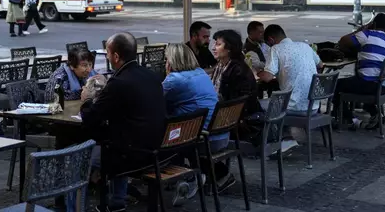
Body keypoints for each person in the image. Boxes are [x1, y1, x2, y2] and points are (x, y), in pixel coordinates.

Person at [80, 32, 166, 212]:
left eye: (108, 53)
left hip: (131, 154)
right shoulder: (152, 76)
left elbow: (90, 117)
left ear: (116, 56)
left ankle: (74, 203)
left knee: (80, 151)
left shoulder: (119, 82)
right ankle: (117, 201)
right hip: (158, 148)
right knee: (117, 137)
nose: (108, 57)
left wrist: (87, 99)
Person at [163, 43, 229, 205]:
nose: (165, 63)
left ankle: (186, 176)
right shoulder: (200, 73)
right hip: (220, 135)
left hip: (201, 140)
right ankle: (189, 175)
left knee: (163, 137)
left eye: (166, 59)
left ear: (171, 61)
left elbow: (152, 101)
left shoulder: (174, 80)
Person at [210, 29, 262, 188]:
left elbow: (237, 104)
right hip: (233, 117)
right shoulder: (223, 65)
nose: (213, 47)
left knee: (193, 136)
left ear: (229, 48)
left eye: (218, 44)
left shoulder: (237, 69)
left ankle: (220, 174)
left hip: (242, 124)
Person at [259, 24, 324, 150]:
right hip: (314, 106)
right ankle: (288, 137)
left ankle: (279, 142)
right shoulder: (305, 46)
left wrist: (259, 73)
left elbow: (267, 77)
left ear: (271, 40)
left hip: (294, 107)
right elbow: (320, 64)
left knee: (260, 106)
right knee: (281, 99)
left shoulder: (276, 49)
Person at [334, 13, 385, 129]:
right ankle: (375, 113)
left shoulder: (366, 35)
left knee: (335, 85)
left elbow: (343, 41)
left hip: (369, 86)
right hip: (384, 87)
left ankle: (349, 119)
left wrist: (361, 29)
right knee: (359, 79)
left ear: (373, 23)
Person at [244, 21, 279, 98]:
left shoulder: (263, 42)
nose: (263, 35)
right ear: (251, 33)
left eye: (263, 32)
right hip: (260, 79)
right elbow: (259, 65)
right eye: (260, 32)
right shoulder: (248, 49)